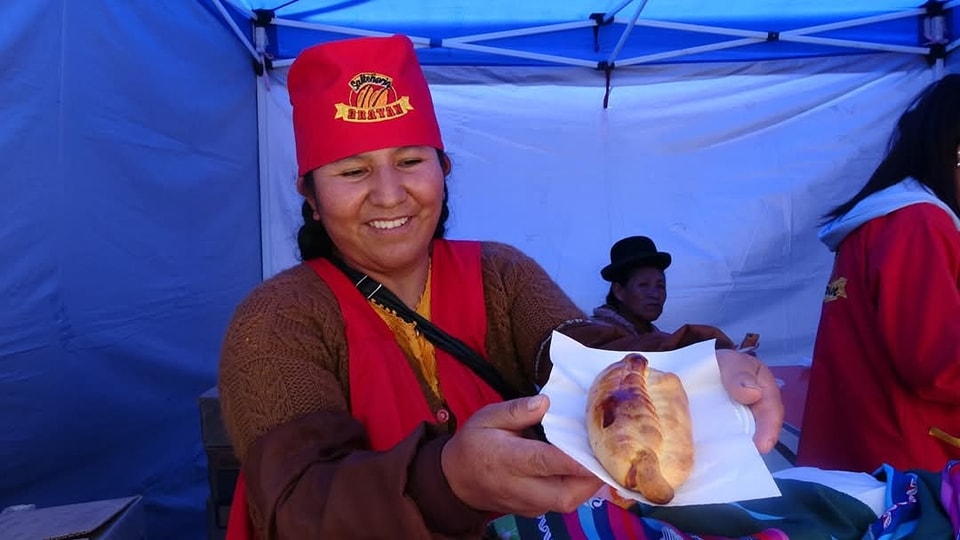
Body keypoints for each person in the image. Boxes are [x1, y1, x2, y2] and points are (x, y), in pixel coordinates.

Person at [218, 34, 783, 539]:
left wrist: (698, 368)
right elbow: (296, 506)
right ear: (311, 198)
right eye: (353, 171)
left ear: (444, 170)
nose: (390, 195)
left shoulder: (499, 274)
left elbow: (581, 355)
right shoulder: (277, 320)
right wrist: (449, 481)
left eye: (410, 160)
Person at [797, 74, 960, 474]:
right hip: (907, 472)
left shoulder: (886, 218)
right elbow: (939, 366)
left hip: (866, 458)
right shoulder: (918, 221)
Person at [592, 235, 739, 351]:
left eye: (660, 285)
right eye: (643, 285)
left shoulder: (651, 336)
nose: (655, 294)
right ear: (619, 291)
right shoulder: (599, 334)